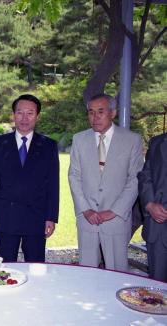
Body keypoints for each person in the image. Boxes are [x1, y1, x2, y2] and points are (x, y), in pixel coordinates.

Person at [69, 93, 143, 272]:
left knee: (117, 272)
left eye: (100, 112)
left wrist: (115, 211)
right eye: (91, 112)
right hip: (87, 219)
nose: (95, 117)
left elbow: (135, 179)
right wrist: (85, 209)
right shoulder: (79, 139)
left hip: (116, 219)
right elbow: (74, 176)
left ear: (113, 113)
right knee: (87, 272)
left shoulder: (132, 140)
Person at [0, 94, 59, 262]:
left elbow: (53, 184)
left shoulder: (48, 146)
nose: (24, 118)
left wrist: (51, 217)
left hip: (36, 216)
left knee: (36, 265)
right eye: (20, 112)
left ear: (37, 116)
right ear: (13, 115)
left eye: (30, 113)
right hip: (5, 216)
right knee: (5, 266)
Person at [138, 133, 167, 282]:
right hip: (157, 229)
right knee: (157, 290)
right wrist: (149, 204)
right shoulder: (157, 142)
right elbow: (145, 176)